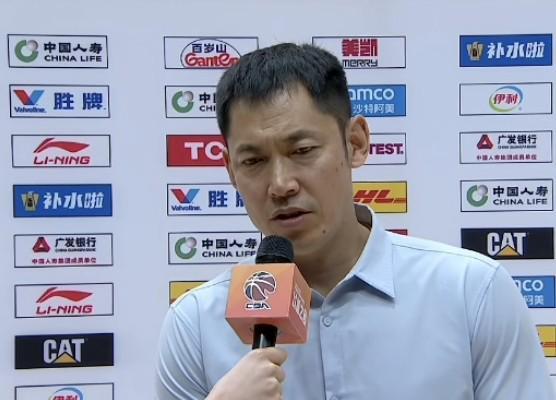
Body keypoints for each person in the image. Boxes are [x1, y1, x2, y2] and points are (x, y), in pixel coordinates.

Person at [155, 43, 553, 400]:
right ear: (230, 170)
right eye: (254, 161)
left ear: (356, 143)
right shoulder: (196, 326)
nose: (280, 185)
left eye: (302, 150)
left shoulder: (472, 292)